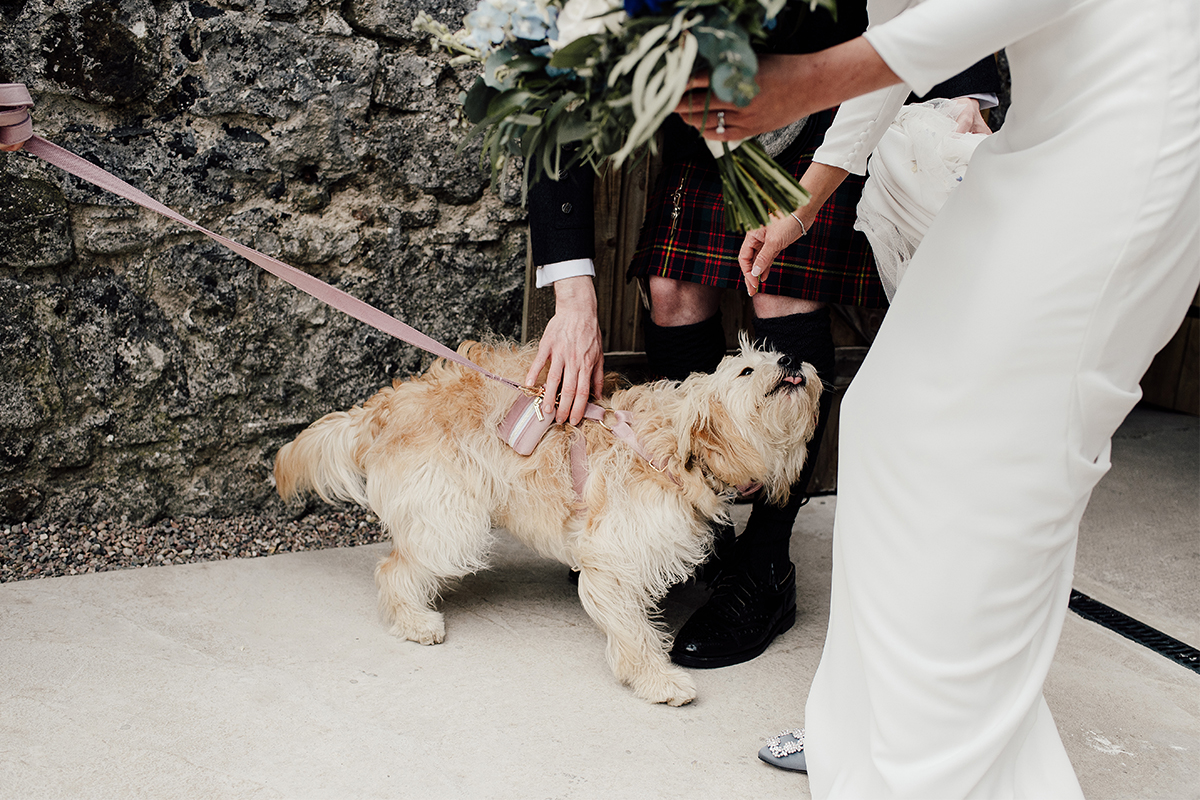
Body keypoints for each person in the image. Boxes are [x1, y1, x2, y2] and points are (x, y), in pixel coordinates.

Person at [674, 0, 1199, 795]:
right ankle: (871, 719)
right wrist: (806, 199)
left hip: (1134, 126)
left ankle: (939, 762)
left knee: (1011, 458)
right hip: (1045, 134)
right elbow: (906, 28)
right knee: (886, 417)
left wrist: (805, 82)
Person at [528, 2, 998, 671]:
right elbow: (554, 92)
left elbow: (914, 5)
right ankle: (699, 530)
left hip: (832, 93)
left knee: (780, 289)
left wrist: (965, 88)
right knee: (671, 289)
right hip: (707, 112)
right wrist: (573, 300)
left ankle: (766, 566)